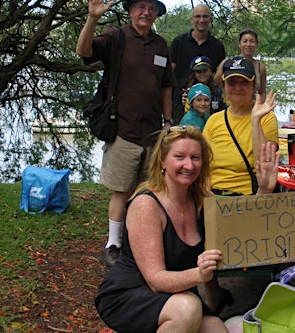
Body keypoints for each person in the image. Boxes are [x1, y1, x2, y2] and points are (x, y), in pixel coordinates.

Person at [95, 126, 258, 332]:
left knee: (217, 329)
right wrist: (200, 274)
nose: (188, 165)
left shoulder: (201, 199)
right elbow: (155, 280)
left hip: (179, 294)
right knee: (187, 309)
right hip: (133, 293)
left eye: (195, 157)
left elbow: (239, 229)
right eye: (179, 156)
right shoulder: (146, 204)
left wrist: (264, 188)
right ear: (162, 160)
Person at [76, 0, 175, 268]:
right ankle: (114, 244)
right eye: (140, 7)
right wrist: (92, 18)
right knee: (120, 191)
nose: (146, 12)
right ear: (131, 11)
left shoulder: (161, 45)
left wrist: (168, 122)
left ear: (156, 14)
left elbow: (167, 86)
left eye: (151, 8)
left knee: (148, 193)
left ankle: (140, 241)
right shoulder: (117, 37)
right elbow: (83, 51)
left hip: (154, 134)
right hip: (122, 131)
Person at [203, 56, 279, 195]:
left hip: (249, 198)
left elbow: (265, 165)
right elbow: (203, 166)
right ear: (223, 85)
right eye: (231, 82)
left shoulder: (266, 118)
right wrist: (208, 198)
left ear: (253, 85)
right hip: (213, 196)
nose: (238, 87)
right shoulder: (213, 120)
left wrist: (255, 121)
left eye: (244, 82)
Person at [170, 5, 226, 124]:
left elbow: (220, 76)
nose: (201, 20)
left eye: (205, 16)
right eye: (198, 16)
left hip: (207, 101)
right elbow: (169, 73)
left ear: (211, 19)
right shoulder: (179, 42)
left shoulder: (217, 46)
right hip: (180, 100)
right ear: (192, 19)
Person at [215, 29, 267, 101]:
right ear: (239, 44)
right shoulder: (227, 63)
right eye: (245, 41)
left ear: (256, 44)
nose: (248, 45)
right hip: (230, 107)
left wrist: (260, 108)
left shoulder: (260, 67)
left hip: (251, 108)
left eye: (252, 41)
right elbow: (215, 85)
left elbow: (262, 92)